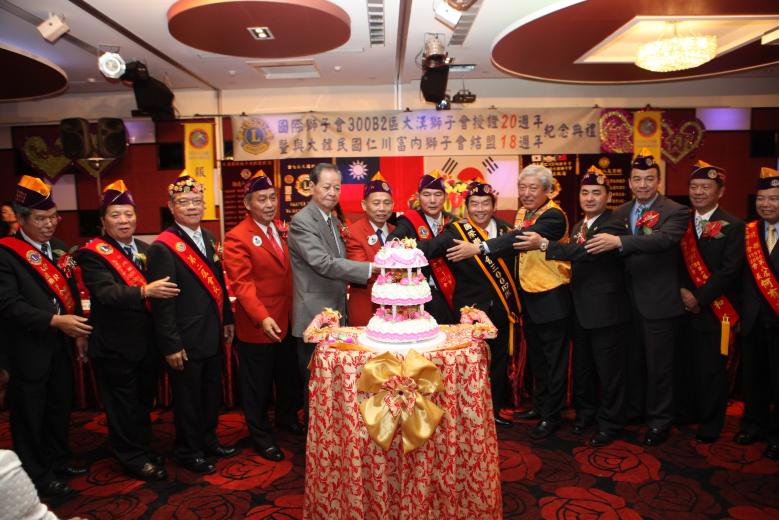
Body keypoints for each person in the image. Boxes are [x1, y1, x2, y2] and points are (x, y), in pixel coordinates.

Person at [448, 164, 573, 439]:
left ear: (548, 191)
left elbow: (517, 238)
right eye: (522, 188)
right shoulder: (524, 212)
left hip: (551, 298)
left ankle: (552, 416)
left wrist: (479, 247)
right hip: (528, 298)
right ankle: (540, 406)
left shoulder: (553, 216)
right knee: (538, 360)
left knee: (554, 361)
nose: (526, 193)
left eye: (533, 188)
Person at [517, 167, 630, 447]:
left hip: (605, 311)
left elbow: (586, 252)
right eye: (585, 192)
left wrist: (546, 245)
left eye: (596, 193)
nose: (590, 198)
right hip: (578, 309)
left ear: (608, 196)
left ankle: (611, 423)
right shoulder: (580, 226)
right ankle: (586, 415)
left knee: (609, 372)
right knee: (583, 370)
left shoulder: (613, 224)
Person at [585, 149, 689, 446]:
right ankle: (632, 411)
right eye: (637, 179)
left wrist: (620, 241)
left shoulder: (676, 210)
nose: (643, 184)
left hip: (658, 301)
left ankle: (659, 420)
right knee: (629, 362)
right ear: (629, 182)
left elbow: (663, 240)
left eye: (649, 179)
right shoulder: (619, 212)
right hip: (622, 302)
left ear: (658, 181)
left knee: (659, 367)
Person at [76, 180, 179, 481]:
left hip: (146, 345)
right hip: (115, 346)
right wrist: (145, 290)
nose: (124, 220)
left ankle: (142, 449)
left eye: (129, 214)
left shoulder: (146, 250)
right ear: (103, 220)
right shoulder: (92, 253)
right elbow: (106, 292)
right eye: (116, 215)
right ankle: (131, 458)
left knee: (142, 403)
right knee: (122, 407)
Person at [0, 176, 91, 497]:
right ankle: (37, 475)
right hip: (27, 349)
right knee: (29, 415)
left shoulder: (60, 248)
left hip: (60, 344)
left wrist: (78, 330)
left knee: (58, 406)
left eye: (53, 217)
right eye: (41, 219)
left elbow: (71, 290)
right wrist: (54, 320)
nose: (49, 224)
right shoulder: (6, 253)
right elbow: (8, 305)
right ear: (20, 219)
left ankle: (58, 460)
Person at [146, 171, 236, 474]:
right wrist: (171, 344)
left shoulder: (209, 237)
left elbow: (219, 283)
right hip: (185, 338)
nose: (192, 207)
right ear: (172, 207)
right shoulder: (163, 247)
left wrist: (227, 318)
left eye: (197, 201)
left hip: (211, 332)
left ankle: (208, 440)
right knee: (188, 398)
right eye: (184, 202)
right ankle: (188, 450)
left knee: (210, 393)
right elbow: (162, 302)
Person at [415, 182, 519, 427]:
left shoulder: (507, 230)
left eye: (485, 204)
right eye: (474, 204)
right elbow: (430, 248)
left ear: (494, 206)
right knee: (471, 363)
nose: (480, 209)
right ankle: (469, 413)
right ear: (467, 207)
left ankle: (494, 410)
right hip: (469, 311)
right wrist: (403, 249)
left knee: (499, 361)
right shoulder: (456, 231)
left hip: (502, 308)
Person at [223, 171, 303, 463]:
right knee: (257, 386)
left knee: (287, 377)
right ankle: (261, 437)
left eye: (272, 198)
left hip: (288, 320)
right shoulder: (237, 237)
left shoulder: (282, 229)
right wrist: (261, 317)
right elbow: (242, 285)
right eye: (262, 199)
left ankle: (286, 418)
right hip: (260, 325)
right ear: (248, 204)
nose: (269, 204)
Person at [288, 163, 373, 420]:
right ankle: (312, 437)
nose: (332, 193)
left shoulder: (333, 220)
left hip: (336, 312)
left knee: (332, 383)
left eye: (337, 187)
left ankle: (330, 435)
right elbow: (323, 263)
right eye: (326, 187)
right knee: (314, 385)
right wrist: (371, 268)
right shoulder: (302, 221)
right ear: (311, 187)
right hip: (314, 317)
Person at [676, 161, 744, 444]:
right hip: (683, 308)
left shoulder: (734, 225)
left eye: (705, 187)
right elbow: (673, 262)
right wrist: (683, 291)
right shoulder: (680, 221)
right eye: (694, 187)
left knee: (713, 370)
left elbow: (729, 271)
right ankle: (688, 412)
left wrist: (699, 298)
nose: (698, 192)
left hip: (716, 311)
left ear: (720, 191)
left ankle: (711, 423)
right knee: (687, 365)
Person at [737, 167, 779, 460]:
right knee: (753, 376)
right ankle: (753, 424)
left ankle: (776, 435)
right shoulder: (748, 232)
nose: (766, 204)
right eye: (761, 198)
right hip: (752, 319)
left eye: (774, 198)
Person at [387, 170, 456, 324]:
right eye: (426, 194)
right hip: (419, 298)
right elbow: (393, 242)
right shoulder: (408, 220)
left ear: (445, 197)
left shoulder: (454, 222)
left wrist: (413, 247)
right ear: (418, 197)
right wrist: (442, 242)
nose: (432, 200)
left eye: (438, 194)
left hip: (452, 296)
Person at [345, 173, 395, 326]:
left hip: (395, 310)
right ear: (364, 205)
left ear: (393, 205)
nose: (382, 208)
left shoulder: (397, 232)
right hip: (366, 308)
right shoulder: (353, 232)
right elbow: (360, 270)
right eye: (376, 203)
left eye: (387, 203)